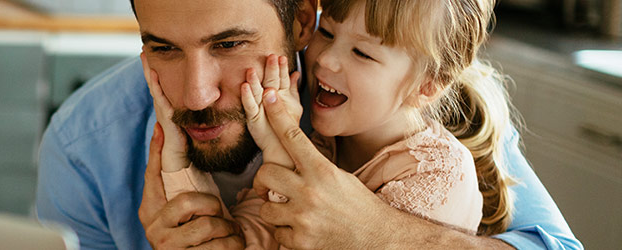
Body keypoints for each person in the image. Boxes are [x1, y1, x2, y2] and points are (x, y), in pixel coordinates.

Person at [34, 0, 583, 249]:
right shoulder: (85, 145)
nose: (196, 93)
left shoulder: (426, 111)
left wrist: (379, 234)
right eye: (163, 48)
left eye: (230, 44)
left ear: (301, 22)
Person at [150, 0, 516, 247]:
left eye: (362, 52)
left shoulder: (439, 176)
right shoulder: (324, 145)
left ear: (429, 85)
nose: (326, 60)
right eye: (328, 33)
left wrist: (280, 149)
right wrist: (177, 169)